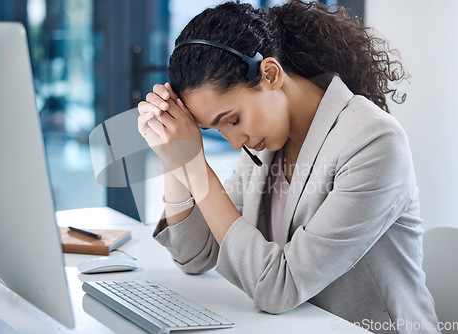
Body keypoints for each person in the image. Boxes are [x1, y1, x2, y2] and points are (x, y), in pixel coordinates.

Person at [137, 1, 440, 333]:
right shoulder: (266, 143)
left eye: (233, 120)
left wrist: (196, 167)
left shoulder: (373, 142)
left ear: (270, 74)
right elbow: (193, 256)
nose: (235, 142)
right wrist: (173, 155)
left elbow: (279, 288)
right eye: (217, 129)